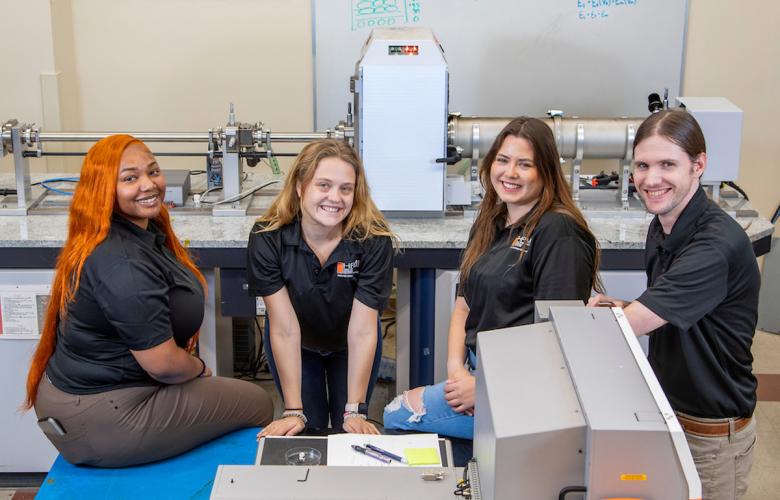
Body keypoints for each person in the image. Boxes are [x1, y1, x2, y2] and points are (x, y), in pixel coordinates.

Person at [25, 135, 273, 467]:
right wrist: (199, 369)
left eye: (153, 171)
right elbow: (164, 365)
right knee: (257, 403)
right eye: (130, 178)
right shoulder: (122, 264)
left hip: (101, 394)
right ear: (104, 189)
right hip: (103, 415)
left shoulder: (130, 232)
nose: (149, 184)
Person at [383, 117, 601, 439]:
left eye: (525, 164)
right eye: (503, 160)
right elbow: (463, 306)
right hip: (476, 371)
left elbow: (555, 340)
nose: (510, 173)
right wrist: (457, 373)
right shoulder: (491, 222)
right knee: (402, 411)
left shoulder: (559, 233)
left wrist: (484, 389)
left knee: (397, 416)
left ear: (546, 172)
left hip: (523, 389)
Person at [588, 110, 759, 500]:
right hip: (668, 412)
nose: (651, 180)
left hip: (709, 437)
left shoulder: (713, 246)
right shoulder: (664, 222)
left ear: (699, 165)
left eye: (668, 164)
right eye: (643, 165)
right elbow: (679, 311)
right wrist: (626, 306)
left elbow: (632, 325)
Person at [248, 139, 395, 437]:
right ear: (301, 187)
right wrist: (292, 410)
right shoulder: (268, 238)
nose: (335, 197)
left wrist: (355, 410)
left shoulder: (373, 240)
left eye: (345, 188)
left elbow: (364, 329)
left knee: (348, 429)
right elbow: (284, 327)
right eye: (323, 185)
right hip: (297, 344)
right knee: (306, 428)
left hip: (350, 343)